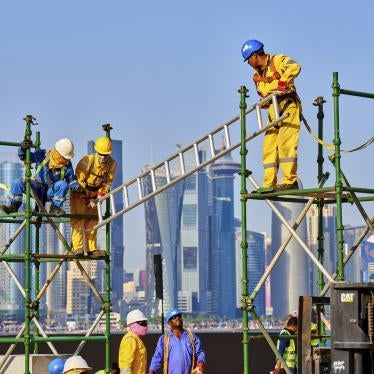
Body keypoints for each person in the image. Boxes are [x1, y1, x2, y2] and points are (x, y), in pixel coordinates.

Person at [241, 39, 302, 192]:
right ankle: (269, 184)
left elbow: (295, 66)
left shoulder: (277, 60)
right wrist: (264, 103)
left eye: (248, 59)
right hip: (273, 110)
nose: (248, 63)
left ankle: (289, 181)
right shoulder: (256, 77)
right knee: (269, 146)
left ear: (255, 56)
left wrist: (283, 82)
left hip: (288, 104)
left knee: (285, 142)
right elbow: (264, 94)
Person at [0, 138, 80, 216]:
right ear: (57, 152)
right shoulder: (42, 155)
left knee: (63, 185)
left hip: (50, 192)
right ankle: (13, 207)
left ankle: (55, 208)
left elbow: (71, 180)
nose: (66, 160)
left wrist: (78, 187)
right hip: (36, 188)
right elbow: (25, 157)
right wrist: (23, 149)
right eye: (64, 157)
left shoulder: (67, 165)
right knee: (18, 182)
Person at [70, 136, 116, 256]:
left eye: (105, 155)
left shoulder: (111, 165)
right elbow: (78, 184)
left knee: (92, 221)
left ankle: (91, 249)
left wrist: (99, 196)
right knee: (78, 219)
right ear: (96, 152)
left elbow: (107, 182)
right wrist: (86, 199)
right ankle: (78, 248)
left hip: (95, 193)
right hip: (81, 192)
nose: (102, 158)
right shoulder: (86, 161)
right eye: (100, 154)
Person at [149, 308, 206, 374]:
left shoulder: (192, 337)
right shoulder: (164, 339)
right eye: (174, 317)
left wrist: (200, 365)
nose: (177, 318)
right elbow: (157, 357)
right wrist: (152, 371)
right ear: (169, 322)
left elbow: (200, 353)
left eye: (179, 316)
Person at [118, 309, 148, 374]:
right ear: (132, 324)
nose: (145, 326)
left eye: (145, 323)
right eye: (142, 323)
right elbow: (125, 366)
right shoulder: (130, 339)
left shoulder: (137, 339)